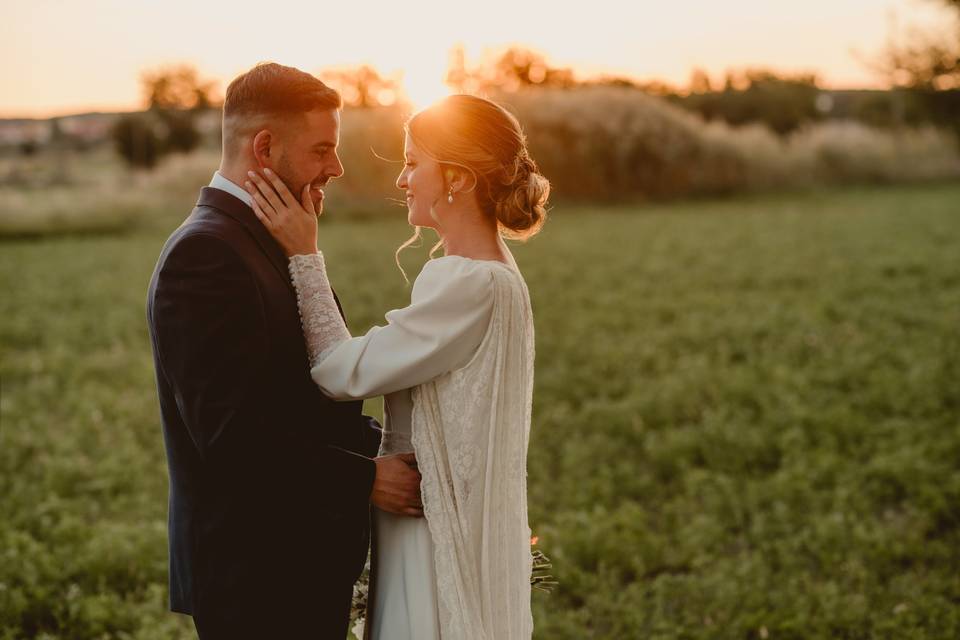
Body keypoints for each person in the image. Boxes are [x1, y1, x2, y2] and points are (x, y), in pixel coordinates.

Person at [245, 93, 550, 640]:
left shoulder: (465, 282)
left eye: (412, 163)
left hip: (431, 534)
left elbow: (339, 372)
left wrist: (303, 256)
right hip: (455, 520)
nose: (402, 180)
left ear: (457, 177)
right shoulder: (501, 275)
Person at [145, 62, 424, 639]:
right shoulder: (205, 255)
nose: (336, 168)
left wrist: (410, 449)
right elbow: (232, 438)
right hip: (257, 581)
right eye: (323, 149)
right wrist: (366, 479)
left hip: (295, 566)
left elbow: (305, 401)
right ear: (265, 147)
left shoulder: (267, 237)